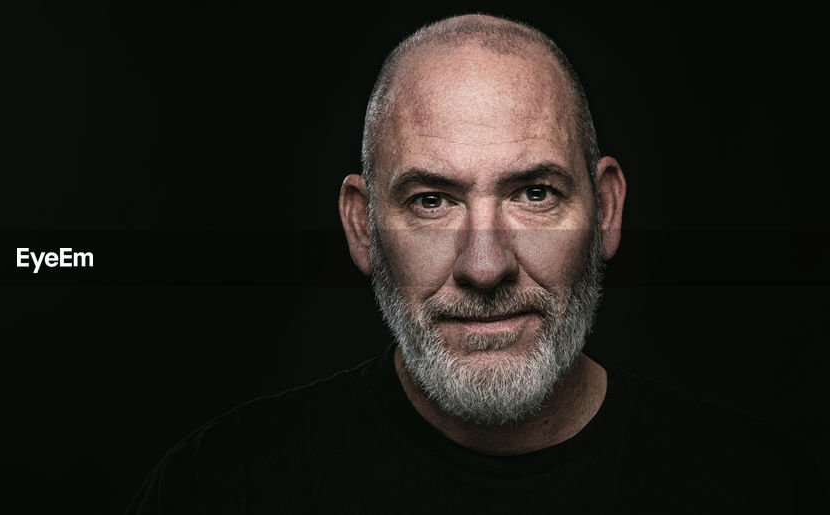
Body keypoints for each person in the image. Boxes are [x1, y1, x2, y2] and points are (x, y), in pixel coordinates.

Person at [129, 14, 822, 513]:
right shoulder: (221, 486)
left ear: (606, 211)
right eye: (432, 200)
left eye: (534, 192)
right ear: (361, 226)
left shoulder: (766, 488)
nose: (485, 266)